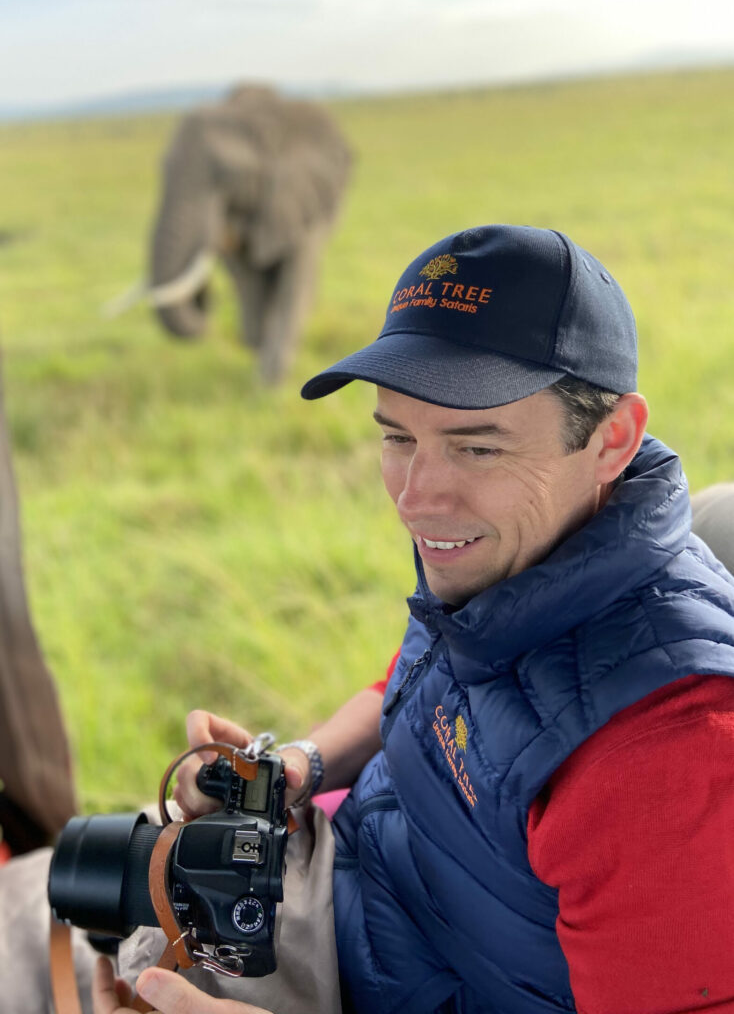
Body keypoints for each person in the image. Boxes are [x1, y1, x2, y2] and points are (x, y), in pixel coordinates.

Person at [98, 224, 734, 1014]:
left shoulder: (664, 756)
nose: (415, 496)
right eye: (398, 436)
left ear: (612, 440)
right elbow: (419, 682)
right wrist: (301, 766)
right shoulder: (518, 557)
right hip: (348, 890)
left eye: (477, 449)